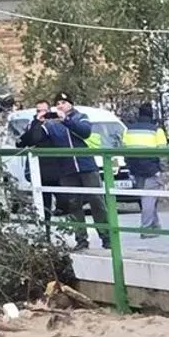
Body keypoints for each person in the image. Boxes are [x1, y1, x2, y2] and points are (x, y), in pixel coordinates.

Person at [52, 94, 108, 249]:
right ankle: (81, 239)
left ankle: (106, 236)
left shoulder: (81, 117)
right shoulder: (53, 124)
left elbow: (85, 132)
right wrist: (39, 121)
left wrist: (66, 120)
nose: (60, 105)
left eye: (63, 102)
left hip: (86, 166)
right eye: (57, 103)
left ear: (70, 104)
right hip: (67, 169)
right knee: (73, 204)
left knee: (97, 201)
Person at [124, 101, 167, 235]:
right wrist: (163, 169)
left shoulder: (129, 130)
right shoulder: (156, 131)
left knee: (147, 197)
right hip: (151, 168)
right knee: (149, 198)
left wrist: (129, 166)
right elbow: (163, 153)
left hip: (134, 167)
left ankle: (155, 226)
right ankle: (146, 228)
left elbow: (124, 149)